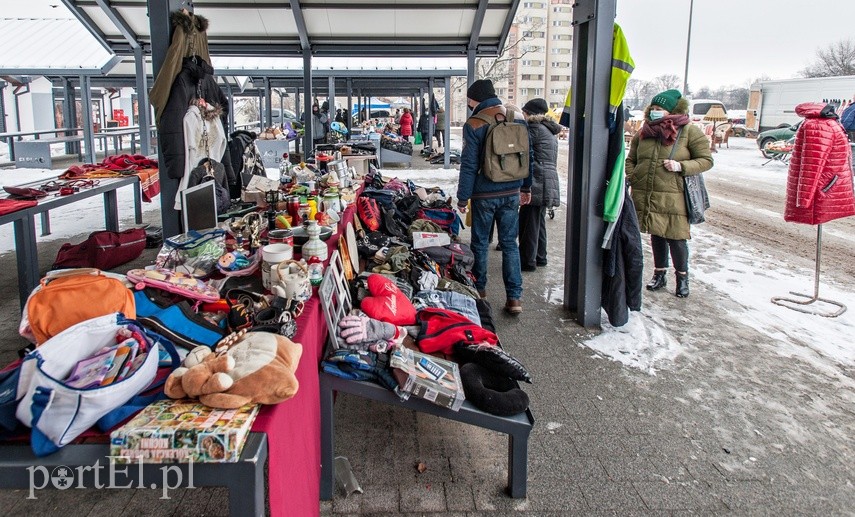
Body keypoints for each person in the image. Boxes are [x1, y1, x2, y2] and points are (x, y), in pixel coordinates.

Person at [626, 89, 713, 298]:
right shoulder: (643, 133)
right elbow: (631, 160)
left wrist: (681, 166)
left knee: (676, 237)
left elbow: (706, 160)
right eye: (653, 109)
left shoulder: (689, 132)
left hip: (675, 196)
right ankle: (659, 274)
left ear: (673, 110)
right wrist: (634, 175)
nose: (656, 112)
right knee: (656, 234)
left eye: (660, 109)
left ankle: (682, 278)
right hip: (648, 192)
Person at [456, 79, 532, 315]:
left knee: (480, 243)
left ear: (474, 99)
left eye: (469, 99)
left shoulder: (475, 123)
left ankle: (480, 293)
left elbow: (468, 165)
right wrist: (525, 188)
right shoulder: (517, 117)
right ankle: (514, 299)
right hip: (511, 191)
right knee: (510, 244)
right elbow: (528, 156)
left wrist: (462, 197)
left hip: (484, 193)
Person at [518, 98, 561, 271]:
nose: (523, 115)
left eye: (524, 112)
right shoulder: (548, 130)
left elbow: (525, 155)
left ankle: (527, 261)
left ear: (530, 113)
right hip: (548, 179)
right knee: (538, 221)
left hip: (537, 179)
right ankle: (540, 257)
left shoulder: (533, 129)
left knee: (529, 222)